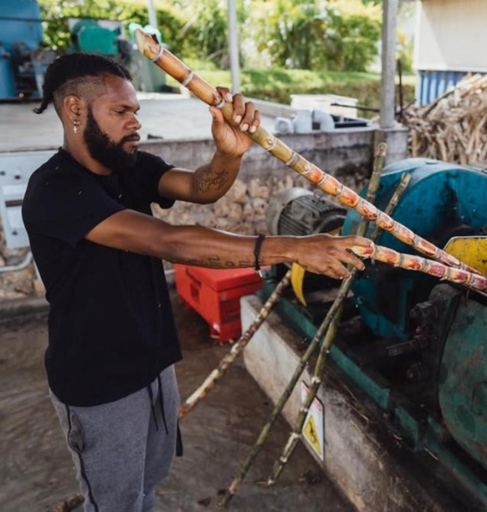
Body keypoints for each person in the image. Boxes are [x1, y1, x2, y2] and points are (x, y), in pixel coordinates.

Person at [21, 53, 370, 512]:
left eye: (136, 111)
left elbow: (203, 187)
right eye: (121, 112)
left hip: (152, 361)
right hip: (98, 381)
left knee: (147, 484)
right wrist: (294, 248)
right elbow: (171, 243)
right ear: (74, 110)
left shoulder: (130, 164)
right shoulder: (55, 190)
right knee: (112, 502)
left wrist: (228, 152)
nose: (134, 123)